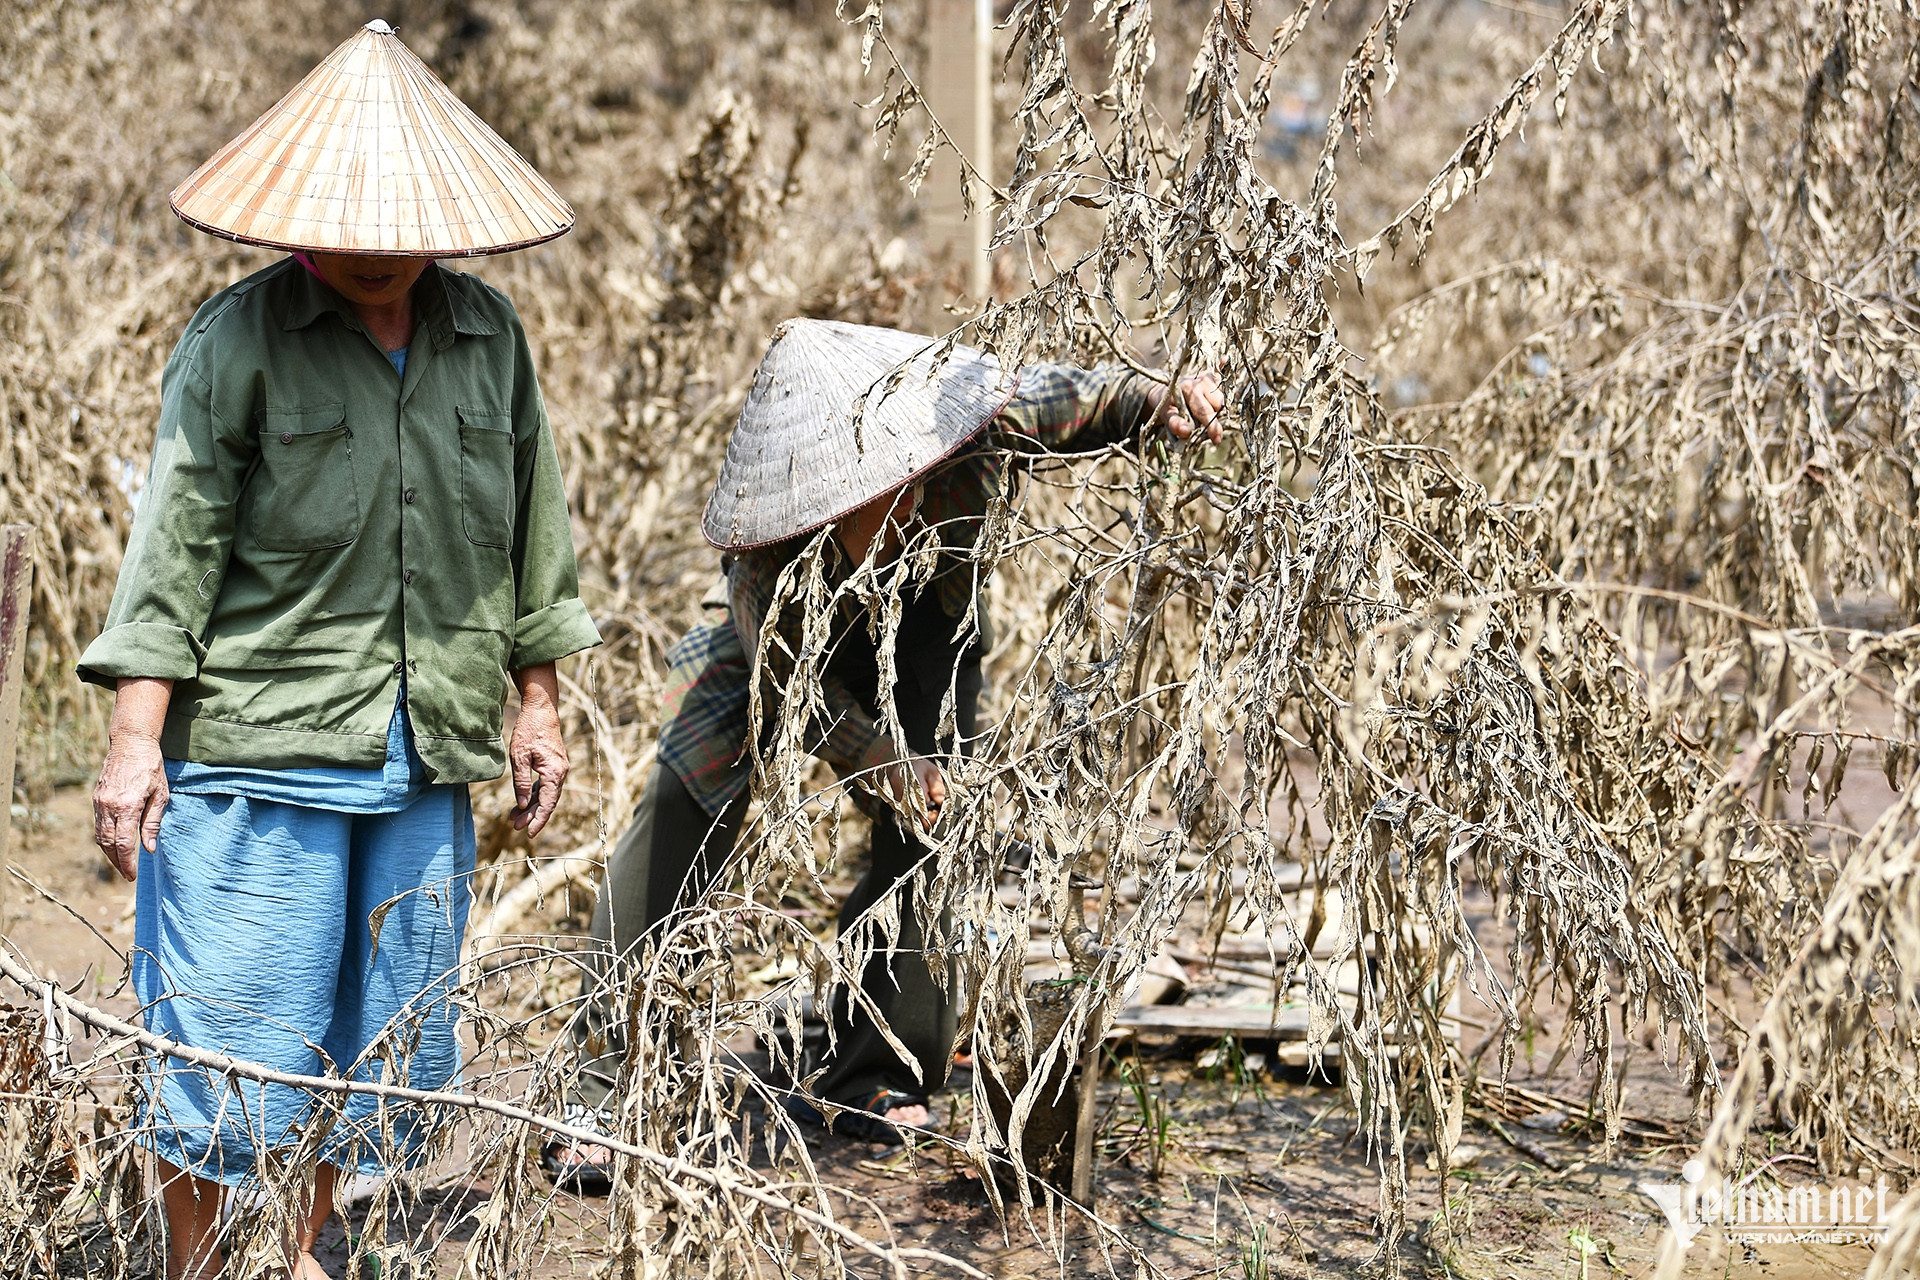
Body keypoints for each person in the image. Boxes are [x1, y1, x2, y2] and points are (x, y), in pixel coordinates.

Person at [78, 22, 599, 1280]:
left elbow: (534, 538)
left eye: (401, 230)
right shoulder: (239, 344)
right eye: (349, 231)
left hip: (424, 760)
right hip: (261, 754)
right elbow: (175, 556)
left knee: (368, 1048)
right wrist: (134, 740)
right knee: (229, 1043)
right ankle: (201, 1268)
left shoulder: (487, 337)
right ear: (297, 222)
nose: (376, 255)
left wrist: (537, 705)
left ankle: (298, 1249)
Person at [546, 318, 1222, 1189]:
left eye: (885, 486)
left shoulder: (970, 427)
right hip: (781, 659)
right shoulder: (765, 548)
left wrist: (1155, 398)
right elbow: (790, 690)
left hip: (929, 639)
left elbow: (1077, 400)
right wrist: (876, 757)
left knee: (934, 825)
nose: (876, 510)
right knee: (682, 805)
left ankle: (878, 1067)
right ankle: (605, 1090)